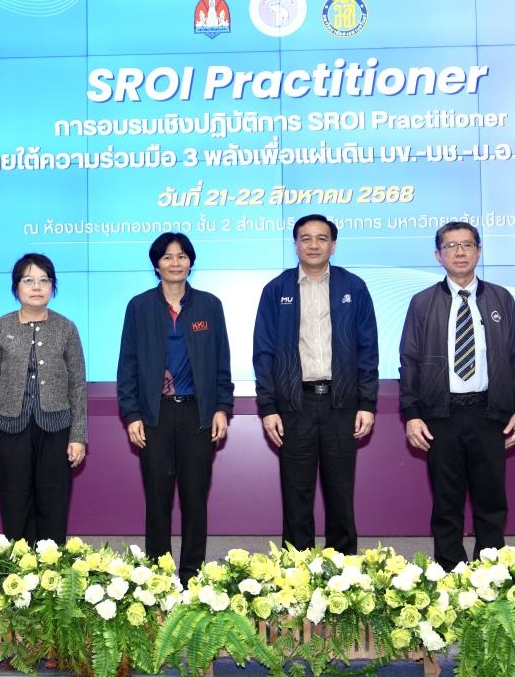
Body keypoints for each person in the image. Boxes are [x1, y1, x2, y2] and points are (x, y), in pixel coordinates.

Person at [399, 221, 515, 570]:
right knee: (446, 502)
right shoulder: (422, 303)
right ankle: (449, 571)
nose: (459, 252)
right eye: (451, 246)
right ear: (438, 255)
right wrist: (412, 414)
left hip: (489, 412)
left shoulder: (501, 298)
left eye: (467, 245)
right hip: (441, 416)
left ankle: (491, 573)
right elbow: (409, 361)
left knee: (491, 502)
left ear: (479, 252)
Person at [253, 213, 378, 555]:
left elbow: (368, 349)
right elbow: (263, 352)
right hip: (295, 405)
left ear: (333, 245)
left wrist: (367, 403)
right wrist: (268, 407)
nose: (313, 245)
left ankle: (344, 572)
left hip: (342, 404)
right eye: (305, 238)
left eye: (321, 238)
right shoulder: (276, 290)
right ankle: (297, 572)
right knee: (296, 494)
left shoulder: (354, 287)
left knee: (340, 492)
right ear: (295, 245)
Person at [118, 233, 232, 584]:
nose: (175, 263)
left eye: (182, 256)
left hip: (198, 414)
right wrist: (132, 414)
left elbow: (221, 362)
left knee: (196, 500)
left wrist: (221, 407)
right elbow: (128, 365)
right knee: (158, 500)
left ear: (190, 262)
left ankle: (192, 576)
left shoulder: (209, 305)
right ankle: (159, 578)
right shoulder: (139, 307)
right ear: (156, 265)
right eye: (167, 257)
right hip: (155, 415)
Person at [0, 254, 87, 545]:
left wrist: (78, 436)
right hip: (9, 429)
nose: (37, 287)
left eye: (44, 280)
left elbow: (78, 385)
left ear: (52, 286)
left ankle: (51, 565)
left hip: (56, 429)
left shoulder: (66, 328)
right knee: (14, 503)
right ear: (16, 287)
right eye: (28, 280)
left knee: (54, 501)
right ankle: (19, 567)